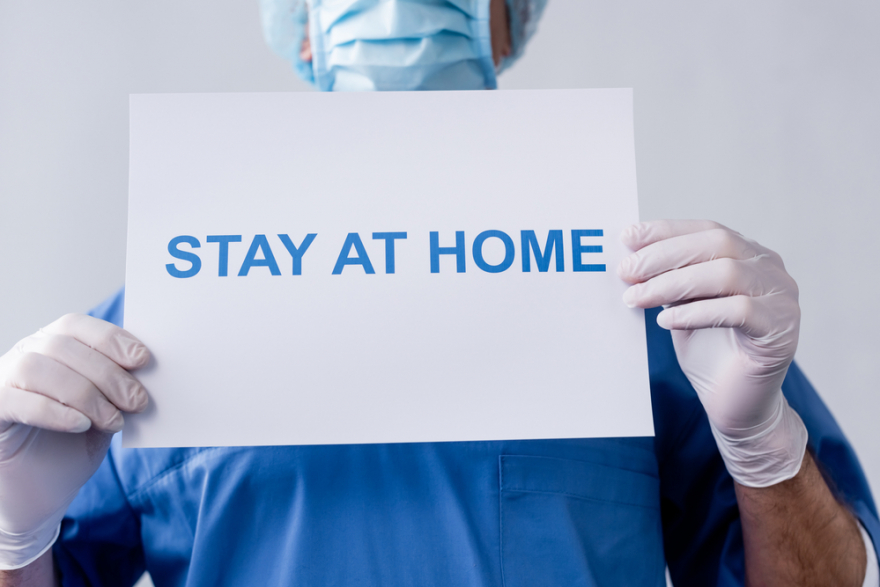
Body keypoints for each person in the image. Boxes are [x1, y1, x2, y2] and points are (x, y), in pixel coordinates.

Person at [1, 1, 878, 585]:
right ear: (297, 23)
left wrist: (764, 444)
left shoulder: (652, 305)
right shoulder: (164, 320)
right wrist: (11, 527)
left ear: (510, 19)